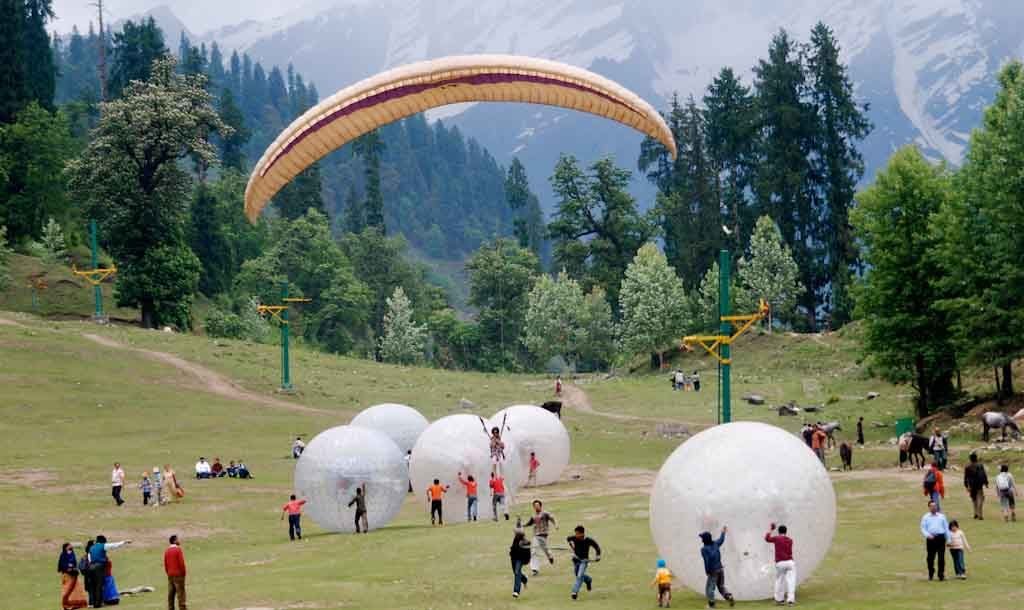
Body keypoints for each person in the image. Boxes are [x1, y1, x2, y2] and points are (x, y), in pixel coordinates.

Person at [87, 535, 130, 608]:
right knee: (99, 585)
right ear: (103, 541)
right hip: (99, 567)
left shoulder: (91, 547)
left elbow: (89, 558)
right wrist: (124, 542)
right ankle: (98, 604)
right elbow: (114, 545)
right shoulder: (103, 545)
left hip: (91, 567)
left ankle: (93, 603)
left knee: (93, 585)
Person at [700, 527, 734, 608]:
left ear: (704, 540)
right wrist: (723, 532)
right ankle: (729, 596)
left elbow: (707, 561)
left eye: (702, 538)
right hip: (720, 569)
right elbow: (721, 540)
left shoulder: (704, 549)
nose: (701, 539)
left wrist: (707, 571)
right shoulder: (715, 544)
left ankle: (711, 605)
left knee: (709, 588)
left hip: (713, 571)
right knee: (721, 586)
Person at [567, 525, 601, 600]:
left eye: (577, 534)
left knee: (579, 576)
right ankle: (588, 580)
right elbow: (568, 538)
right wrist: (571, 546)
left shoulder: (588, 540)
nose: (576, 535)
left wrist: (598, 556)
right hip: (576, 560)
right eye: (575, 533)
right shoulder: (574, 538)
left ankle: (574, 592)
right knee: (578, 574)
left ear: (582, 534)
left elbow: (597, 547)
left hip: (584, 561)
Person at [765, 523, 796, 605]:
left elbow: (767, 539)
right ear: (786, 531)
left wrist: (771, 529)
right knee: (791, 582)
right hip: (790, 562)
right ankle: (790, 600)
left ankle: (779, 599)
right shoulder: (790, 540)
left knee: (779, 581)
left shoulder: (777, 538)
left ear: (778, 532)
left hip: (780, 563)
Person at [524, 499, 557, 575]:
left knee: (545, 549)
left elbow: (552, 518)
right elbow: (529, 523)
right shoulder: (533, 516)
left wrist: (556, 525)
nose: (536, 507)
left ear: (540, 506)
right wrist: (523, 525)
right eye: (535, 506)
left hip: (543, 535)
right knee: (534, 551)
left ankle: (550, 556)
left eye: (537, 506)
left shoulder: (545, 513)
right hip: (536, 535)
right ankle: (535, 569)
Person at [920, 500, 949, 581]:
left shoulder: (942, 516)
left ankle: (941, 574)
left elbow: (946, 528)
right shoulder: (925, 517)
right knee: (930, 558)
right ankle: (931, 573)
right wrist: (928, 535)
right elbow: (923, 528)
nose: (934, 507)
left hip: (940, 538)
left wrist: (949, 539)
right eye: (932, 506)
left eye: (935, 506)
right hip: (931, 539)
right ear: (929, 507)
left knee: (941, 558)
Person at [59, 542, 88, 610]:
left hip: (74, 575)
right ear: (66, 547)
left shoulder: (72, 553)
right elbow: (62, 564)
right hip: (67, 575)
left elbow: (74, 562)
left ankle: (77, 604)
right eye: (69, 546)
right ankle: (67, 604)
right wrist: (68, 567)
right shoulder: (63, 555)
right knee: (67, 590)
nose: (70, 547)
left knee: (76, 589)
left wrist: (74, 567)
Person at [164, 534, 187, 610]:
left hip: (170, 575)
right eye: (177, 539)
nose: (179, 540)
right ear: (174, 541)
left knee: (171, 594)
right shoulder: (178, 550)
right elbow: (181, 563)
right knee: (181, 594)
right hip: (178, 575)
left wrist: (168, 573)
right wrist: (184, 573)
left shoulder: (167, 551)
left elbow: (166, 564)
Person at [963, 452, 989, 520]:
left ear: (970, 459)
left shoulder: (967, 466)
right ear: (976, 458)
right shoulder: (980, 465)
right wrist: (986, 483)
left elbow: (966, 477)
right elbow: (983, 474)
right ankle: (980, 513)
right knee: (981, 498)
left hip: (971, 485)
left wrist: (966, 485)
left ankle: (975, 513)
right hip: (979, 484)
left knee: (974, 499)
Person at [510, 523, 532, 598]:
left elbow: (528, 554)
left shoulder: (526, 542)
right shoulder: (515, 539)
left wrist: (524, 547)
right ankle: (524, 579)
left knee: (517, 572)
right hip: (513, 558)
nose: (515, 534)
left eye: (517, 533)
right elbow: (516, 527)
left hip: (521, 559)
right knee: (516, 572)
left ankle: (516, 591)